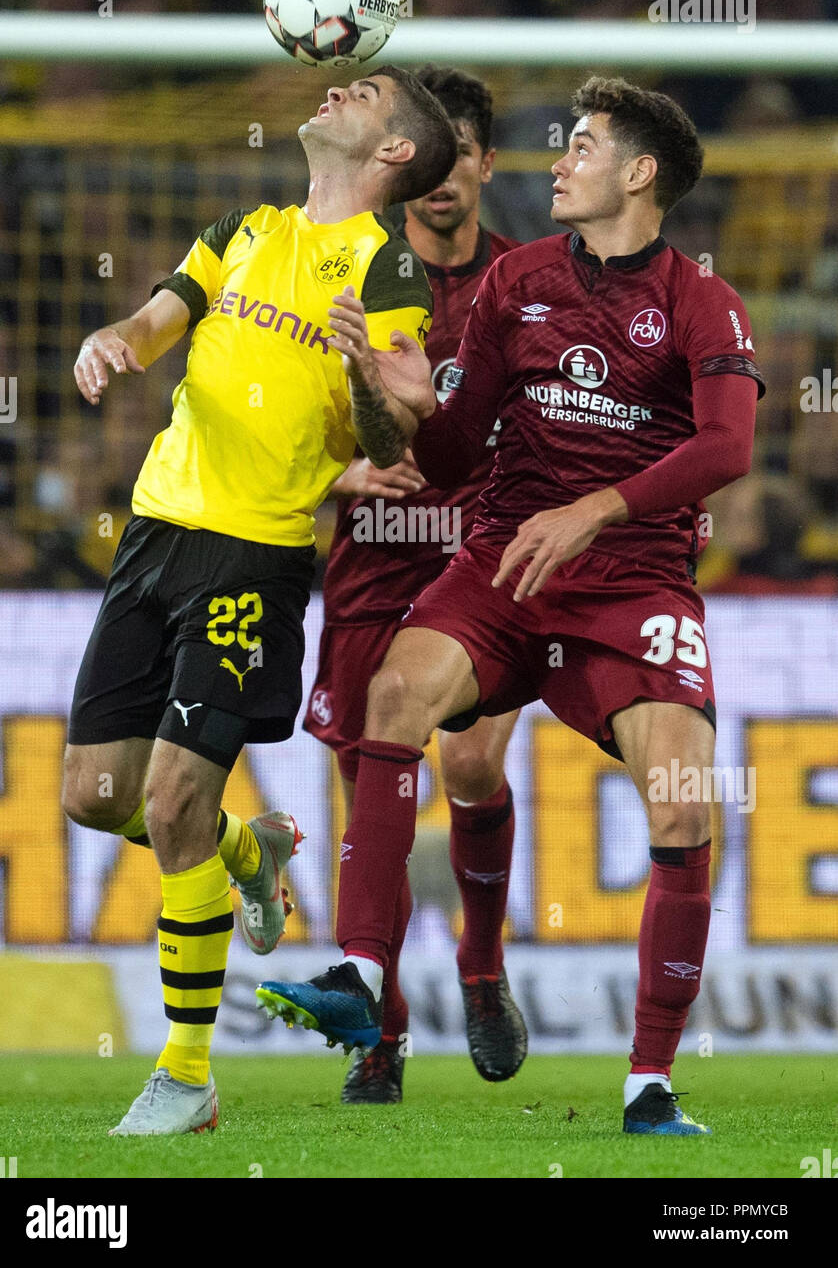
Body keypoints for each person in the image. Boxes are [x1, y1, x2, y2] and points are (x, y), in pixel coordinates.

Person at [258, 76, 766, 1136]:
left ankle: (649, 1084)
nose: (559, 161)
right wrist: (404, 401)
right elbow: (452, 451)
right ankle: (361, 977)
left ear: (638, 173)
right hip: (500, 560)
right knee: (390, 703)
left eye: (580, 145)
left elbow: (725, 447)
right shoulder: (517, 282)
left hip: (632, 580)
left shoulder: (701, 301)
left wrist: (598, 509)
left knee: (682, 803)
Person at [61, 67, 457, 1135]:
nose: (333, 91)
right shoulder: (241, 227)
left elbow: (396, 436)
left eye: (362, 89)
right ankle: (253, 853)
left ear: (392, 154)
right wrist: (115, 344)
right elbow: (158, 319)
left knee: (176, 800)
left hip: (253, 558)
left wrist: (370, 378)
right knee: (96, 795)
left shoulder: (383, 271)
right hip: (153, 534)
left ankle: (186, 1078)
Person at [304, 67, 523, 1105]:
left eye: (460, 154)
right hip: (368, 558)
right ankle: (380, 1036)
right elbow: (275, 412)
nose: (441, 179)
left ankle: (481, 968)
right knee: (369, 796)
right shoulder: (345, 266)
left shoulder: (527, 282)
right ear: (401, 165)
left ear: (480, 162)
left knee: (472, 765)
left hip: (472, 551)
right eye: (423, 158)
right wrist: (341, 468)